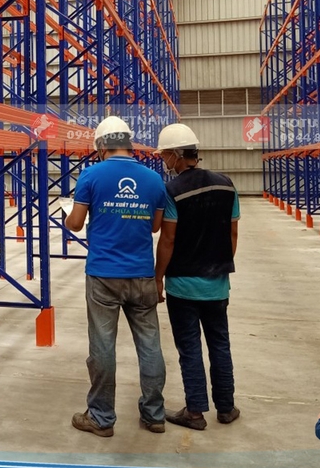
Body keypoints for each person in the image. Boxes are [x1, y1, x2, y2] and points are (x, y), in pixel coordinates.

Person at [64, 116, 168, 437]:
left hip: (103, 275)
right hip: (142, 273)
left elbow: (76, 224)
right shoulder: (154, 179)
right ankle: (154, 414)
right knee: (150, 345)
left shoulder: (91, 175)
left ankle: (101, 416)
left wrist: (69, 216)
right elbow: (155, 226)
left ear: (101, 146)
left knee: (103, 346)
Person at [154, 123, 240, 430]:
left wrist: (158, 278)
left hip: (183, 285)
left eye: (165, 155)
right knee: (220, 345)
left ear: (177, 155)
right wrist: (219, 263)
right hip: (217, 284)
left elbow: (167, 240)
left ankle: (194, 412)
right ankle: (226, 408)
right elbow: (232, 233)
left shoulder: (172, 191)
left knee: (189, 349)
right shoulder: (226, 184)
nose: (164, 160)